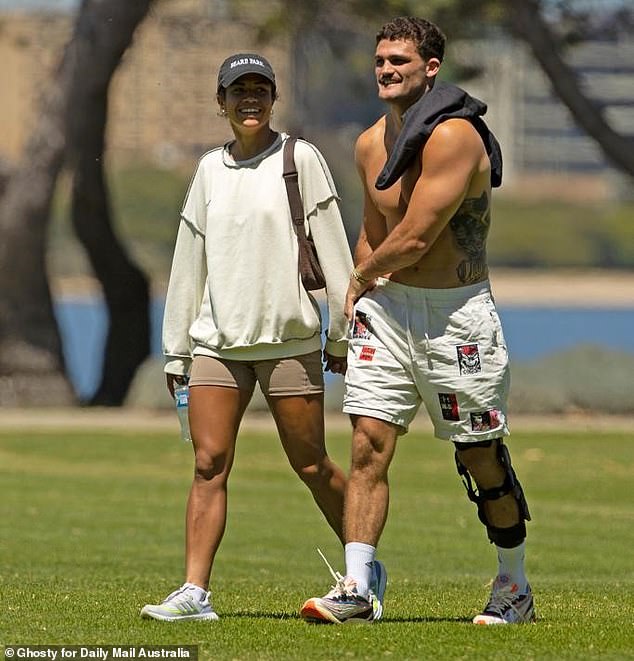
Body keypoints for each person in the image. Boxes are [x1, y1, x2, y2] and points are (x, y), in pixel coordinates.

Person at [300, 17, 533, 626]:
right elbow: (374, 234)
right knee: (367, 444)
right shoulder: (369, 143)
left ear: (431, 67)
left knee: (479, 454)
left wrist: (356, 278)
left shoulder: (456, 137)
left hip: (456, 318)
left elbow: (416, 236)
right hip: (389, 309)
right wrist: (352, 305)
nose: (385, 70)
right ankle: (356, 587)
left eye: (399, 60)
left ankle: (514, 584)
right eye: (379, 60)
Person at [140, 52, 357, 622]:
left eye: (260, 89)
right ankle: (194, 593)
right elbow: (190, 260)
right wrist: (177, 347)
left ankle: (361, 571)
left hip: (290, 343)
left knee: (310, 463)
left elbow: (333, 248)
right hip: (218, 346)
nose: (250, 100)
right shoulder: (210, 169)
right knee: (209, 463)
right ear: (222, 104)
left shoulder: (300, 158)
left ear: (274, 98)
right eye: (239, 92)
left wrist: (340, 333)